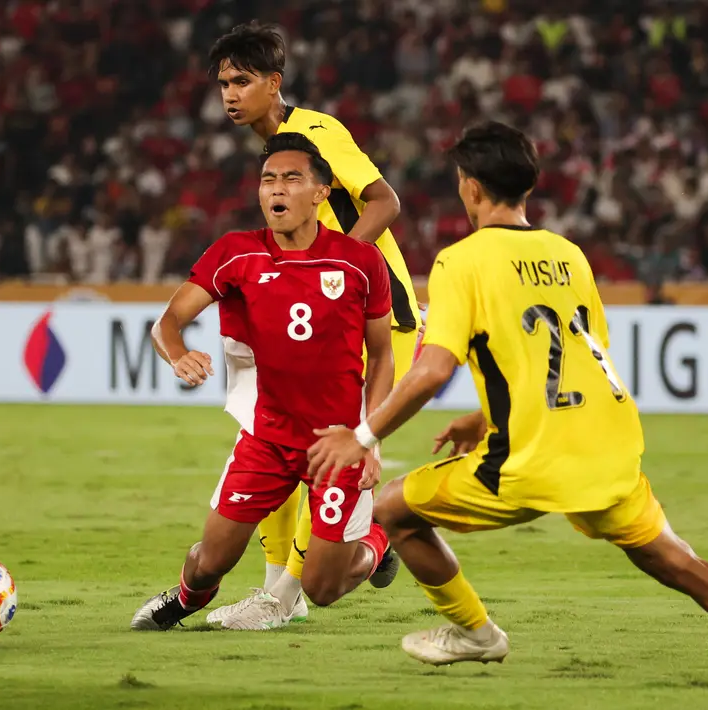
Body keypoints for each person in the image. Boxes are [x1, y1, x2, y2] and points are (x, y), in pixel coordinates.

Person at [307, 122, 708, 685]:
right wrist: (485, 418)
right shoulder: (569, 254)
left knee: (393, 511)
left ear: (472, 188)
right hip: (608, 445)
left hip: (531, 458)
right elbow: (577, 358)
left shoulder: (461, 261)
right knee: (675, 560)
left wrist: (362, 435)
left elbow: (433, 369)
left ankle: (476, 633)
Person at [130, 134, 396, 632]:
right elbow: (167, 323)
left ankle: (379, 538)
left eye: (292, 178)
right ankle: (184, 600)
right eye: (268, 179)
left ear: (320, 192)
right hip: (267, 438)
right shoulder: (237, 253)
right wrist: (179, 355)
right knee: (210, 560)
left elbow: (381, 356)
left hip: (337, 444)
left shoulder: (359, 261)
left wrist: (370, 440)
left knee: (322, 588)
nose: (277, 188)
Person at [203, 21, 419, 628]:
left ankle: (283, 599)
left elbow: (385, 201)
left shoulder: (317, 133)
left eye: (242, 81)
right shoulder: (276, 153)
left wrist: (332, 273)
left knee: (324, 453)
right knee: (268, 437)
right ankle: (283, 587)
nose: (230, 95)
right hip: (320, 326)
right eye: (224, 84)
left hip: (376, 321)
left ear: (274, 83)